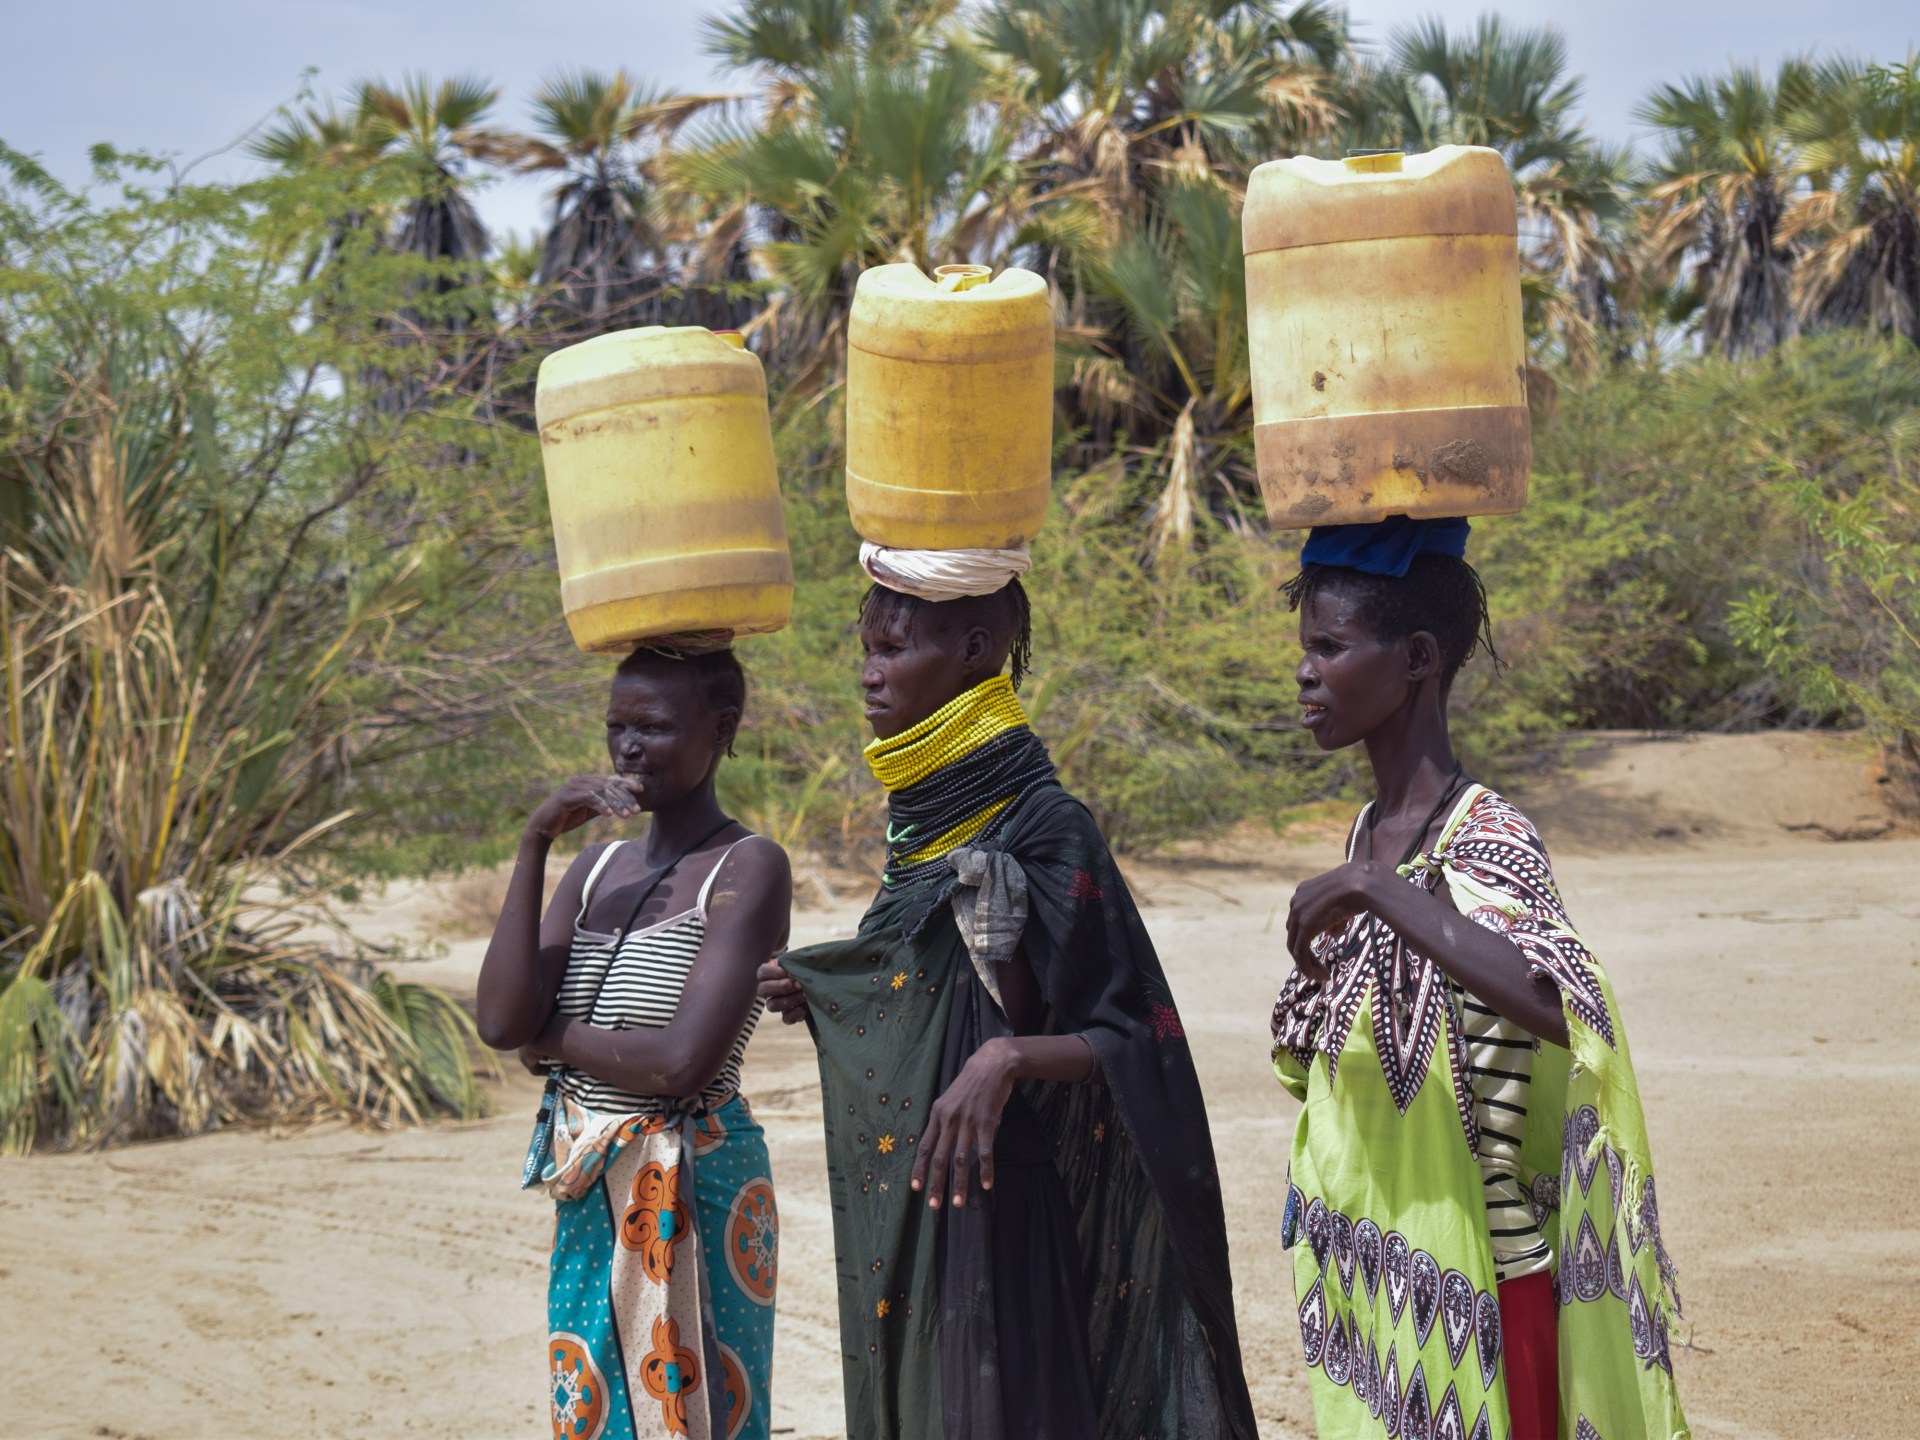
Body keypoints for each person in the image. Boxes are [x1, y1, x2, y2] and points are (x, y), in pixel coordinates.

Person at [757, 565, 1259, 1440]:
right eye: (865, 651)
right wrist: (828, 989)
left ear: (974, 653)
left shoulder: (1044, 824)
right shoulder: (917, 832)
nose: (869, 673)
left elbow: (1137, 1036)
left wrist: (1008, 1058)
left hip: (1007, 1207)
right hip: (922, 1206)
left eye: (894, 648)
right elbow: (926, 988)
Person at [1269, 517, 1688, 1440]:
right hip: (1388, 1302)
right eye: (1305, 648)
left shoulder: (1488, 836)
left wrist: (1377, 892)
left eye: (1329, 648)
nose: (1304, 672)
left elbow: (1560, 1003)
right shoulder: (1365, 832)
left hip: (1492, 1305)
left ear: (1417, 657)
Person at [478, 644, 791, 1440]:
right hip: (592, 1180)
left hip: (697, 1177)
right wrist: (535, 842)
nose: (627, 747)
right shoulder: (597, 867)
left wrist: (553, 1039)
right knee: (592, 1412)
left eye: (653, 726)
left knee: (697, 1413)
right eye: (617, 726)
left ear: (723, 729)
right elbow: (500, 1023)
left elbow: (683, 1064)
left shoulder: (748, 868)